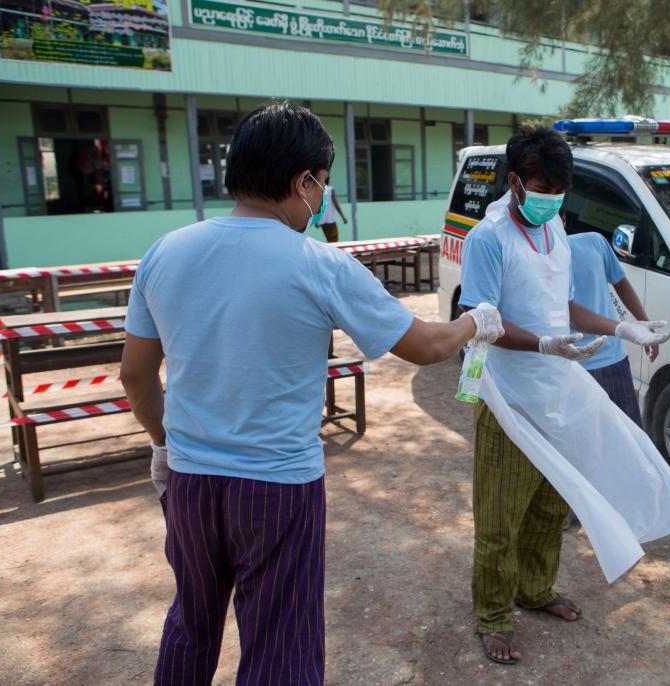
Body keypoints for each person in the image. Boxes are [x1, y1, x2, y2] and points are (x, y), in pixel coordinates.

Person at [120, 101, 503, 686]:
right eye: (323, 184)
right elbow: (427, 345)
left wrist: (162, 446)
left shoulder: (165, 252)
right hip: (277, 488)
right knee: (280, 646)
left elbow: (134, 376)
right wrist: (476, 321)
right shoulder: (320, 264)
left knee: (190, 624)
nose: (324, 197)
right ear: (303, 182)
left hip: (191, 484)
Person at [458, 126, 670, 665]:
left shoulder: (553, 226)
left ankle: (534, 589)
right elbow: (481, 320)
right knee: (500, 516)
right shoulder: (488, 240)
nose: (552, 197)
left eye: (559, 187)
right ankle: (493, 614)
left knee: (550, 505)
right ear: (514, 182)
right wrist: (542, 342)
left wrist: (626, 329)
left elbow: (567, 305)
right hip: (509, 398)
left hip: (558, 391)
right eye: (542, 186)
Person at [568, 230, 660, 426]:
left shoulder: (594, 242)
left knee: (629, 438)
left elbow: (621, 283)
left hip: (613, 361)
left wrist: (645, 324)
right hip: (573, 369)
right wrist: (623, 328)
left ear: (564, 218)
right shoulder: (539, 257)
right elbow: (573, 315)